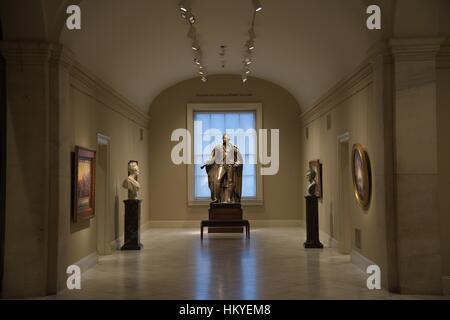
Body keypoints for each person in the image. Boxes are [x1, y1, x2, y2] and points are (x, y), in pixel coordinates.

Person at [202, 134, 243, 203]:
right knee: (217, 180)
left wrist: (237, 163)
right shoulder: (218, 147)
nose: (225, 140)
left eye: (226, 139)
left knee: (230, 181)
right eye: (224, 138)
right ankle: (217, 198)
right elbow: (213, 157)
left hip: (230, 166)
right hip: (222, 165)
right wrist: (208, 162)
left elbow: (239, 158)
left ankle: (229, 198)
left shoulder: (233, 148)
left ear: (229, 140)